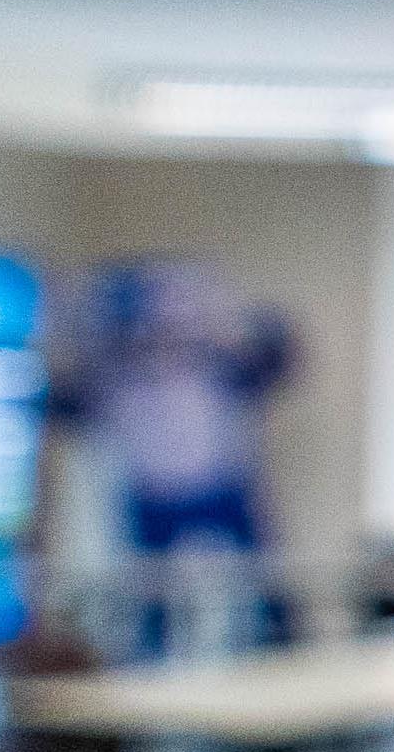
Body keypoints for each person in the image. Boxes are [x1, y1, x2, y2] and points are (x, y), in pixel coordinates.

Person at [63, 259, 298, 646]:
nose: (165, 334)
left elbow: (278, 362)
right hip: (153, 496)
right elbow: (66, 404)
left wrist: (241, 330)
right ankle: (149, 659)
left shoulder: (216, 366)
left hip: (221, 489)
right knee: (149, 594)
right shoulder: (112, 375)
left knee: (265, 582)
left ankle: (284, 646)